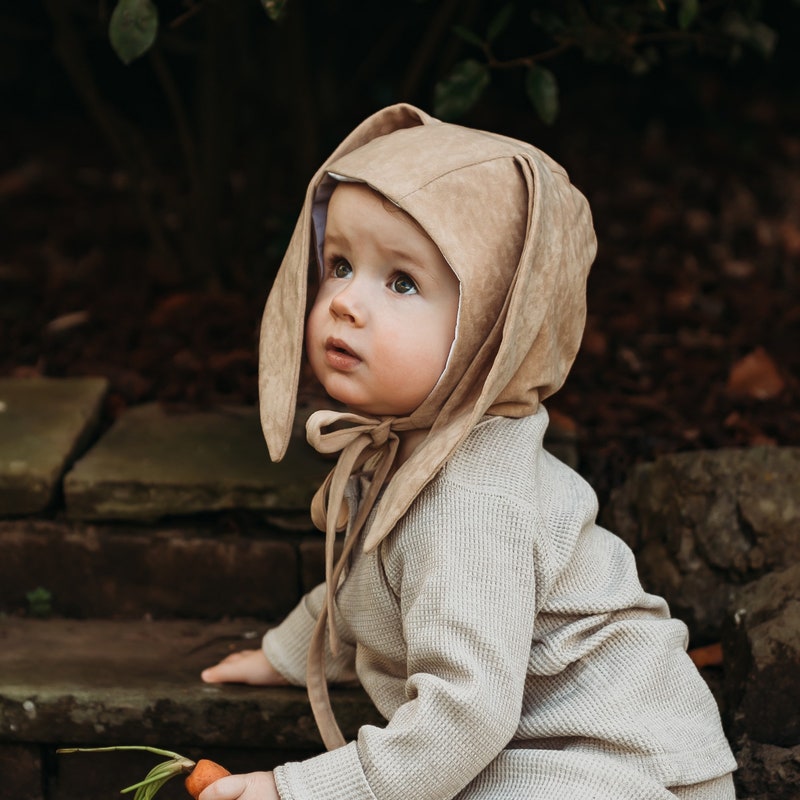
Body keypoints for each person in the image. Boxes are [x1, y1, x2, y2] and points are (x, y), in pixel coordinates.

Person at [199, 103, 737, 800]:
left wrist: (297, 790)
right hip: (540, 752)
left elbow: (465, 714)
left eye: (401, 282)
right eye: (338, 265)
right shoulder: (408, 446)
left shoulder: (471, 500)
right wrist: (288, 653)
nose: (344, 302)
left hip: (622, 770)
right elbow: (369, 582)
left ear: (495, 327)